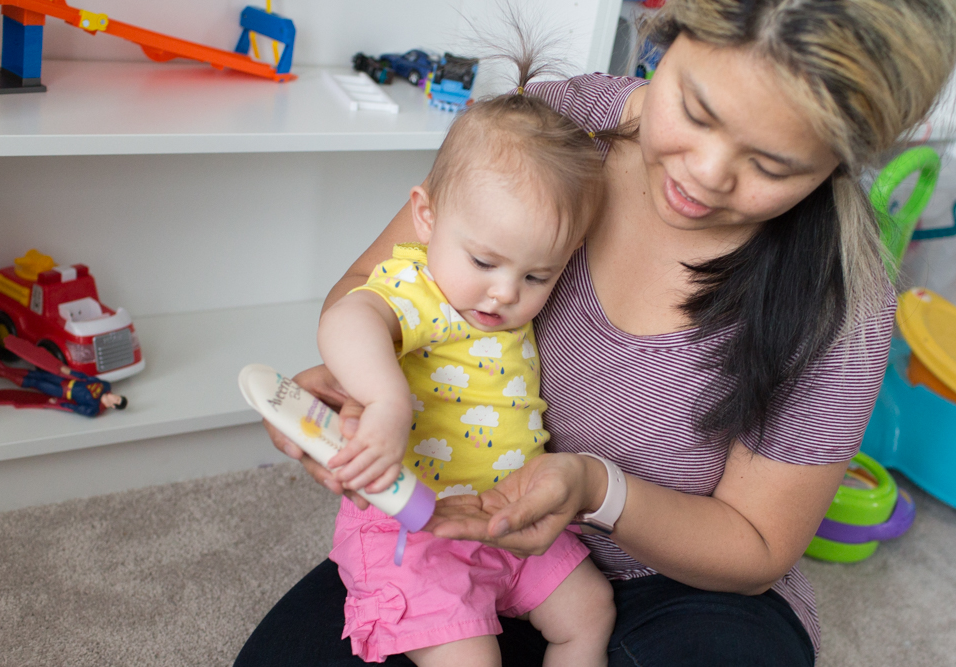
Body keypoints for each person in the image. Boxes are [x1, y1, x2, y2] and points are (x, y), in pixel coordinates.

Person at [234, 1, 956, 665]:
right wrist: (357, 392)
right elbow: (374, 290)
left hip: (677, 582)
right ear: (665, 41)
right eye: (695, 111)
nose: (704, 176)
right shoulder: (549, 134)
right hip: (455, 512)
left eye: (770, 164)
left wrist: (594, 487)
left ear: (839, 161)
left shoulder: (840, 297)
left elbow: (758, 543)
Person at [316, 79, 613, 666]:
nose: (504, 293)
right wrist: (385, 402)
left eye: (536, 276)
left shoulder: (498, 295)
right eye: (484, 261)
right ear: (425, 216)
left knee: (591, 610)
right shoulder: (420, 288)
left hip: (506, 517)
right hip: (413, 528)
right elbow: (349, 318)